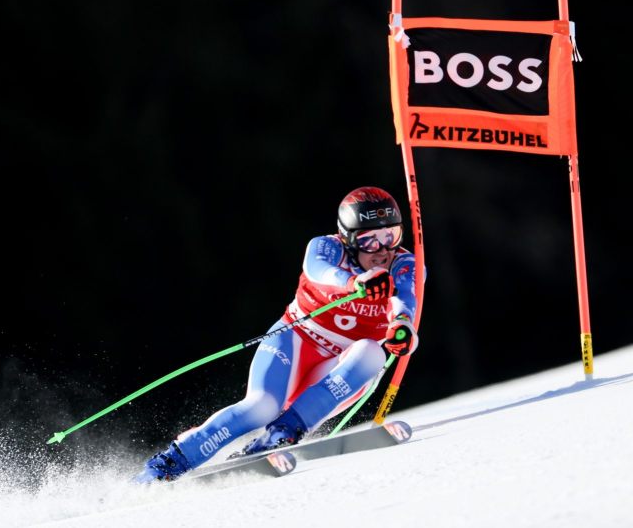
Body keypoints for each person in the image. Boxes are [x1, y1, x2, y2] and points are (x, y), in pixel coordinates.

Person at [135, 186, 421, 483]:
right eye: (369, 241)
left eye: (391, 236)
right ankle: (169, 463)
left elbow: (405, 300)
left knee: (372, 353)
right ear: (348, 238)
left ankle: (281, 435)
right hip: (296, 340)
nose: (383, 250)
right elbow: (317, 270)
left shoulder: (405, 265)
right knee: (261, 406)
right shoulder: (326, 247)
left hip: (339, 366)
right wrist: (354, 282)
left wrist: (402, 327)